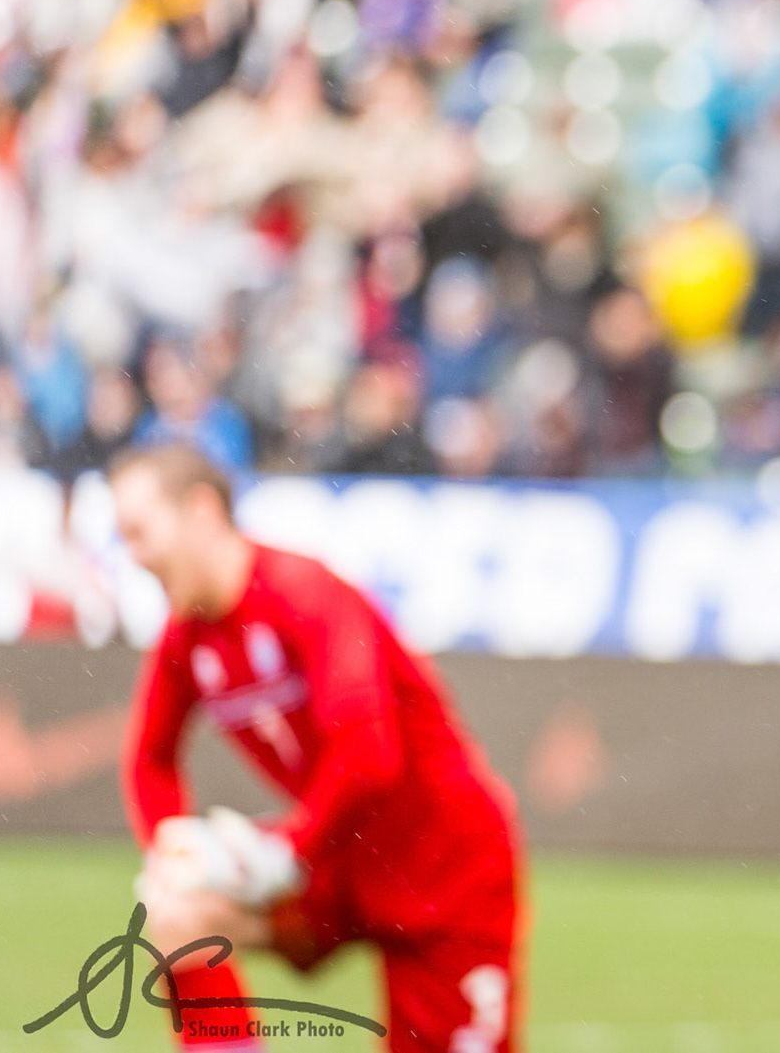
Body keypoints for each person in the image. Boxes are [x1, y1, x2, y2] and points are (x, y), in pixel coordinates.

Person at [113, 443, 523, 1053]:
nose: (133, 556)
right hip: (339, 859)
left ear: (201, 513)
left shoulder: (304, 593)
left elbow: (369, 756)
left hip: (446, 873)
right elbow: (149, 761)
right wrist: (170, 852)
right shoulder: (188, 634)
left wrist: (287, 849)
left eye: (139, 532)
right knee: (174, 913)